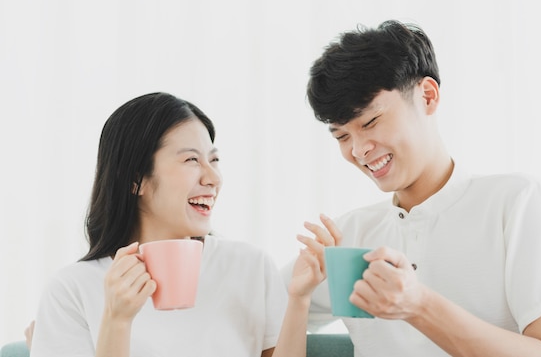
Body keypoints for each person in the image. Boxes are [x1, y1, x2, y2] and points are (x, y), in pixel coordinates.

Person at [288, 20, 541, 357]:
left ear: (427, 96)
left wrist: (418, 305)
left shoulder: (518, 203)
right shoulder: (350, 235)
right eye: (342, 136)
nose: (358, 150)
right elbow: (252, 304)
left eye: (370, 122)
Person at [29, 92, 324, 357]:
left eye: (214, 159)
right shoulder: (72, 289)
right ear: (135, 179)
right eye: (192, 160)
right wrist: (116, 321)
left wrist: (299, 300)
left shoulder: (249, 266)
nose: (213, 178)